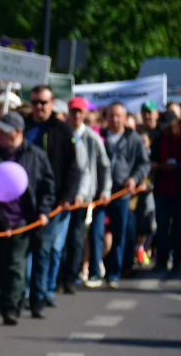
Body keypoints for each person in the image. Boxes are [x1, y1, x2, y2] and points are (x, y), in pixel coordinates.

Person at [0, 112, 55, 324]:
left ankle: (11, 307)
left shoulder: (35, 155)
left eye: (4, 132)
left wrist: (43, 211)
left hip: (23, 221)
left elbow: (47, 186)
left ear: (17, 132)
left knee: (16, 266)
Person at [24, 85, 78, 315]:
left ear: (52, 103)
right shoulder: (22, 125)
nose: (39, 107)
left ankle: (39, 297)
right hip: (21, 200)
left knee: (44, 249)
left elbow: (72, 167)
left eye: (44, 103)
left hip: (51, 201)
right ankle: (22, 295)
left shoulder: (62, 129)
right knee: (21, 250)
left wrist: (66, 196)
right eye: (35, 102)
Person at [92, 101, 150, 288]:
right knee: (96, 232)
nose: (115, 119)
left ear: (125, 118)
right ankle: (94, 272)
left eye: (119, 116)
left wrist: (134, 178)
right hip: (100, 194)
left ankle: (113, 274)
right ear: (106, 118)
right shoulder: (98, 136)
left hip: (122, 195)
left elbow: (144, 163)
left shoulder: (133, 139)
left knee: (119, 235)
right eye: (111, 115)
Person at [62, 97, 110, 292]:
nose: (76, 115)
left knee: (76, 237)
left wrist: (105, 190)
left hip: (83, 198)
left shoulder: (92, 137)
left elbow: (103, 167)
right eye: (73, 111)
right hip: (63, 197)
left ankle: (72, 276)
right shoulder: (62, 134)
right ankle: (60, 275)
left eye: (80, 111)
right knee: (61, 239)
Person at [151, 110, 181, 276]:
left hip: (178, 191)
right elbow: (153, 158)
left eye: (169, 127)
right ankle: (161, 261)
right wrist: (158, 166)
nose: (166, 131)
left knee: (178, 227)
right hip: (162, 190)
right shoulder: (159, 139)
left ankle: (177, 262)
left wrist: (176, 167)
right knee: (162, 226)